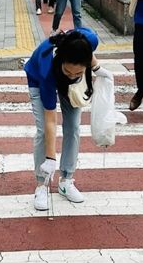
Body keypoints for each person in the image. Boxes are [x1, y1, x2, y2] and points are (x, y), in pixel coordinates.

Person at [24, 28, 101, 211]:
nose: (73, 75)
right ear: (61, 59)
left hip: (70, 84)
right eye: (69, 71)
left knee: (73, 126)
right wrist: (50, 159)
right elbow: (51, 119)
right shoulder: (46, 67)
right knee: (43, 130)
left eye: (79, 73)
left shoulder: (89, 40)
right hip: (38, 79)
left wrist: (98, 68)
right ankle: (42, 184)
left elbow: (88, 54)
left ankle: (66, 179)